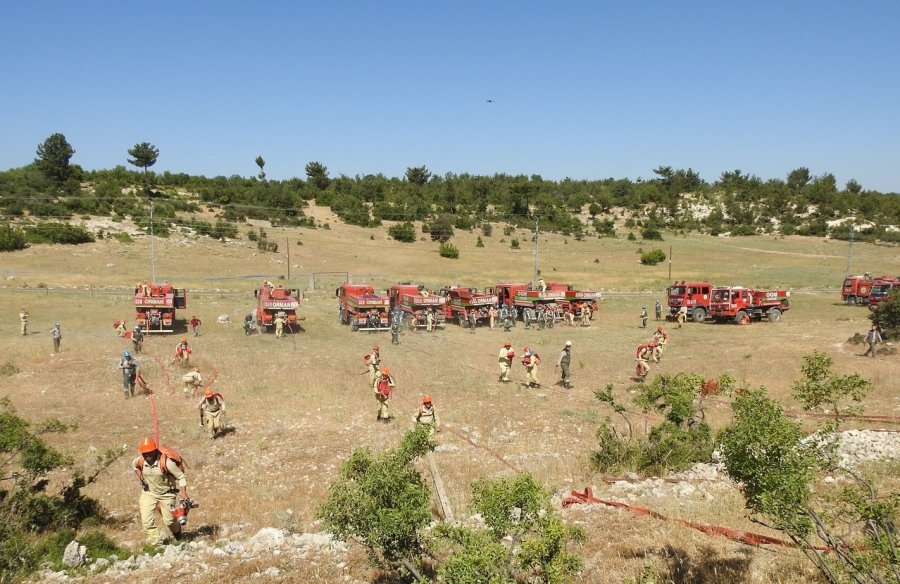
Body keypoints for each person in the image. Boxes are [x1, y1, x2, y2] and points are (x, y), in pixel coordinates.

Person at [132, 438, 189, 546]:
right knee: (146, 521)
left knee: (169, 521)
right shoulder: (140, 461)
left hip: (167, 494)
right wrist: (141, 478)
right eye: (144, 453)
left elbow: (181, 476)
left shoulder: (166, 463)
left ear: (155, 451)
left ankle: (177, 532)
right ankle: (156, 543)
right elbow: (134, 466)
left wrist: (183, 492)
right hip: (149, 493)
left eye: (150, 452)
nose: (147, 455)